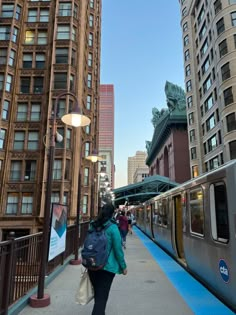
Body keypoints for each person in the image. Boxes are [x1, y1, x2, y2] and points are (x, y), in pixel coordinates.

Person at [88, 203, 127, 315]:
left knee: (98, 294)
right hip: (106, 267)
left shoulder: (92, 224)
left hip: (92, 265)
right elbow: (118, 250)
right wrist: (123, 266)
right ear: (112, 214)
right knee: (102, 297)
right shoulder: (113, 228)